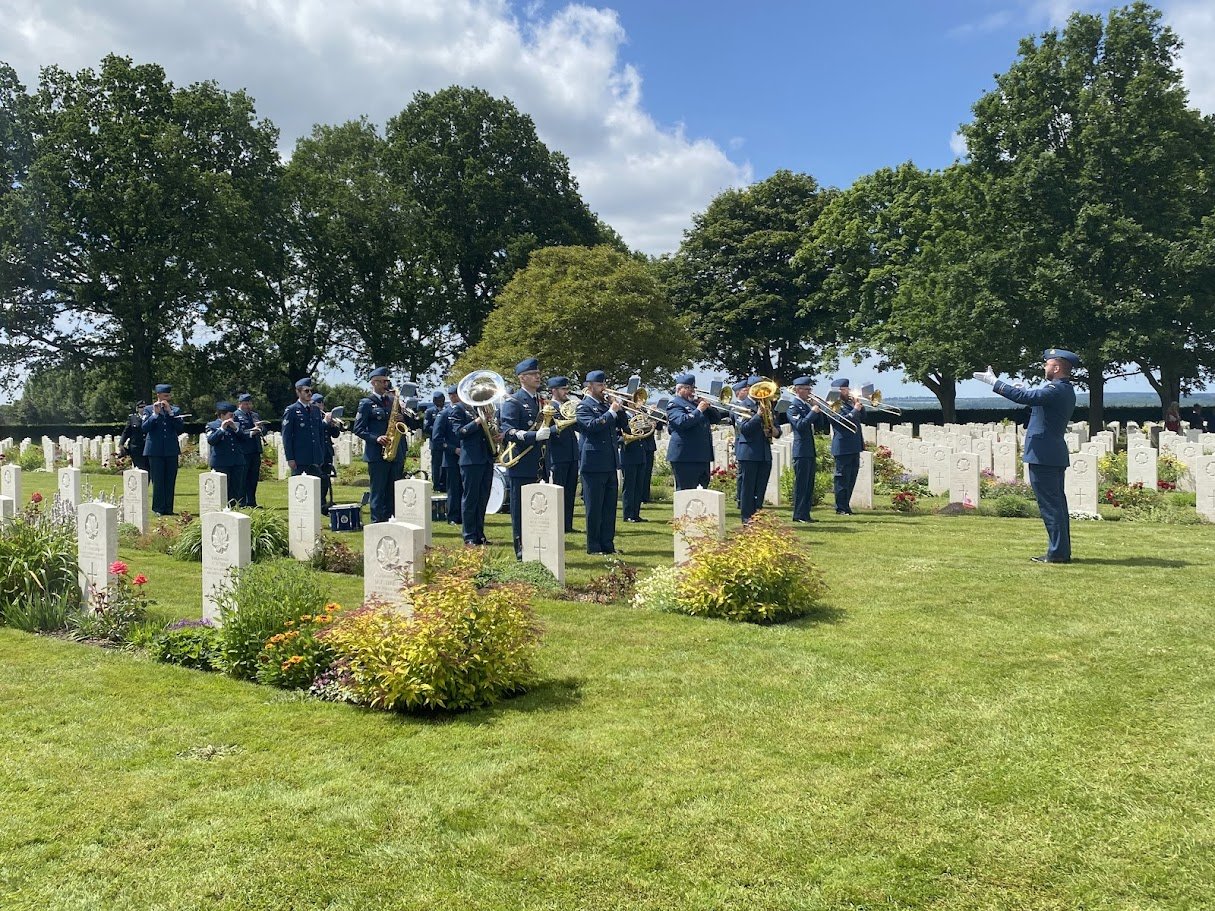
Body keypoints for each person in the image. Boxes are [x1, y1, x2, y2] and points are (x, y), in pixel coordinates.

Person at [974, 348, 1079, 564]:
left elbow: (1024, 397)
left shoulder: (1055, 389)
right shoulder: (1062, 389)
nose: (1044, 367)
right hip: (1050, 454)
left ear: (1057, 368)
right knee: (1056, 505)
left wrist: (995, 382)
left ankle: (1058, 553)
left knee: (1051, 506)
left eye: (1047, 364)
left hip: (1044, 455)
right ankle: (1060, 550)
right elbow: (1036, 404)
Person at [499, 358, 553, 559]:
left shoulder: (541, 401)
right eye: (533, 374)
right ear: (522, 378)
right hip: (521, 463)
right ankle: (521, 551)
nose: (538, 377)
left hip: (539, 463)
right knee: (521, 511)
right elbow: (508, 431)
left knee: (538, 510)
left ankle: (538, 546)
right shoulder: (513, 402)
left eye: (538, 373)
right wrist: (533, 436)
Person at [353, 368, 422, 524]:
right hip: (377, 454)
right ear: (374, 382)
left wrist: (402, 417)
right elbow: (358, 429)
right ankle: (377, 522)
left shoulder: (393, 401)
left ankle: (392, 521)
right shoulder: (366, 403)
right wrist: (376, 438)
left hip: (396, 452)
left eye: (387, 381)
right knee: (378, 491)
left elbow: (413, 424)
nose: (386, 384)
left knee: (394, 491)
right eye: (383, 381)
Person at [576, 370, 630, 555]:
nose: (604, 388)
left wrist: (620, 410)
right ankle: (594, 546)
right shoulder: (583, 407)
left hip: (609, 462)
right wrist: (611, 412)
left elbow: (625, 427)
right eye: (600, 385)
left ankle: (608, 544)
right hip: (592, 463)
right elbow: (591, 427)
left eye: (604, 384)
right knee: (594, 507)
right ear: (589, 386)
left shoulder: (605, 406)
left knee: (609, 507)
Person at [733, 375, 781, 522]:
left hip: (764, 453)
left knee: (760, 488)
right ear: (750, 389)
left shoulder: (768, 405)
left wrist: (774, 431)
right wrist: (758, 416)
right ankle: (747, 518)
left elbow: (777, 429)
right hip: (749, 453)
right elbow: (744, 429)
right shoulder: (741, 406)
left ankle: (757, 516)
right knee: (748, 489)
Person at [451, 389, 496, 546]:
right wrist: (477, 422)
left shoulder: (480, 408)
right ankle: (469, 535)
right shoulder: (459, 409)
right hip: (470, 460)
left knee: (482, 498)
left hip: (485, 458)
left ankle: (480, 534)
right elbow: (459, 432)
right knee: (470, 499)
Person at [665, 373, 724, 491]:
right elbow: (682, 422)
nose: (692, 391)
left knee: (703, 490)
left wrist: (709, 406)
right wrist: (699, 410)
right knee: (685, 492)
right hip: (685, 456)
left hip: (702, 455)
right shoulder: (674, 404)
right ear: (680, 389)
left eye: (693, 388)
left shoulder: (696, 404)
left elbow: (716, 419)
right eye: (688, 388)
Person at [783, 377, 828, 522]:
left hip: (809, 450)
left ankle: (806, 514)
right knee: (801, 484)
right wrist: (813, 412)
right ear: (798, 390)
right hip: (801, 450)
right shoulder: (793, 407)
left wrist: (819, 411)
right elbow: (801, 425)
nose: (810, 392)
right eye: (807, 389)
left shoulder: (807, 406)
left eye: (810, 389)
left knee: (809, 484)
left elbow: (821, 427)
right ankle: (798, 514)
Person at [825, 378, 867, 515]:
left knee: (851, 478)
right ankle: (840, 507)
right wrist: (855, 410)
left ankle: (846, 505)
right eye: (844, 389)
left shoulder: (849, 403)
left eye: (847, 389)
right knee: (842, 478)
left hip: (854, 446)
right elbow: (843, 422)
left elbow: (864, 417)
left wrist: (858, 405)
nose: (847, 391)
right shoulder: (833, 405)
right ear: (837, 391)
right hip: (843, 447)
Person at [141, 383, 184, 516]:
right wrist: (155, 414)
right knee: (158, 480)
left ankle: (168, 508)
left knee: (170, 479)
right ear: (158, 395)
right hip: (155, 450)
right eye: (165, 396)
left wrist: (170, 413)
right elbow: (144, 428)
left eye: (169, 396)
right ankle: (158, 508)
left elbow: (180, 428)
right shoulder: (149, 410)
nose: (167, 398)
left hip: (171, 449)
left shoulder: (175, 410)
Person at [545, 376, 580, 533]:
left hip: (572, 454)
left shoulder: (569, 407)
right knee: (558, 492)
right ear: (554, 390)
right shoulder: (549, 408)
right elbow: (547, 431)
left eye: (566, 389)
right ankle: (557, 524)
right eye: (563, 389)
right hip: (558, 455)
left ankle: (567, 525)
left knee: (570, 492)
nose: (566, 392)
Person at [205, 401, 248, 506]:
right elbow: (211, 440)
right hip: (221, 462)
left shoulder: (236, 425)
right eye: (230, 415)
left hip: (237, 462)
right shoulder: (212, 425)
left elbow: (244, 439)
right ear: (222, 415)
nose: (233, 417)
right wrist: (222, 429)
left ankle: (233, 509)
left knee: (235, 490)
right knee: (222, 490)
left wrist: (236, 428)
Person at [432, 384, 463, 525]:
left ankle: (464, 515)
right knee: (454, 489)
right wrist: (454, 449)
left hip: (467, 456)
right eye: (452, 395)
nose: (454, 397)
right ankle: (453, 517)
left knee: (465, 488)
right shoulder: (444, 414)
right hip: (452, 457)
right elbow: (437, 439)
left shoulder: (466, 411)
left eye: (456, 394)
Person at [312, 393, 343, 513]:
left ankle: (323, 503)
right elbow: (316, 430)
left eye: (321, 403)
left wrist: (334, 425)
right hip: (317, 452)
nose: (320, 405)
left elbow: (335, 435)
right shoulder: (313, 417)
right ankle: (318, 502)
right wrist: (325, 422)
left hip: (327, 452)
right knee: (317, 478)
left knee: (325, 479)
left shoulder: (326, 418)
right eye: (317, 403)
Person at [232, 393, 264, 508]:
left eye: (249, 403)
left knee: (253, 477)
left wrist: (260, 427)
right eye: (246, 404)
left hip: (255, 450)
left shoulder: (254, 415)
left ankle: (252, 501)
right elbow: (237, 432)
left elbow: (263, 431)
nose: (248, 406)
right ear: (240, 404)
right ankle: (242, 502)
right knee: (243, 478)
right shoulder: (235, 415)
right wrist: (251, 431)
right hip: (243, 450)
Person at [619, 412, 652, 522]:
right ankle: (628, 514)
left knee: (638, 487)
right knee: (629, 486)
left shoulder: (639, 415)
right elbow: (621, 434)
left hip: (640, 454)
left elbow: (643, 434)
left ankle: (635, 513)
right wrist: (639, 426)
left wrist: (649, 426)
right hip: (628, 454)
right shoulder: (623, 416)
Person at [422, 391, 447, 492]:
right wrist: (438, 429)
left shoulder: (447, 410)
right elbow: (426, 427)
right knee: (436, 465)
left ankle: (444, 484)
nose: (439, 402)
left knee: (445, 464)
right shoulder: (430, 411)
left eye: (441, 400)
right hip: (436, 443)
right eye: (436, 400)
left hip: (446, 441)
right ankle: (436, 484)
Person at [119, 403, 149, 471]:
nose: (143, 409)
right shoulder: (132, 418)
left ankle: (147, 481)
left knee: (148, 467)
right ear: (137, 409)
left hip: (147, 446)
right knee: (139, 468)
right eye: (141, 407)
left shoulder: (150, 417)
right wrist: (121, 444)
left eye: (144, 407)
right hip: (136, 447)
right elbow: (126, 432)